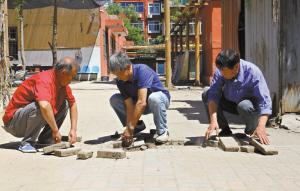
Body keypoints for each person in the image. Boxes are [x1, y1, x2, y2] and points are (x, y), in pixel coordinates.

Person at [2, 57, 79, 152]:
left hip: (26, 119)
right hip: (14, 124)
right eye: (72, 76)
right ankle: (27, 142)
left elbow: (73, 104)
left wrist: (73, 130)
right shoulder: (44, 79)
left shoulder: (62, 85)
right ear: (63, 73)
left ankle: (46, 138)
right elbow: (44, 106)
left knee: (64, 104)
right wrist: (55, 131)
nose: (71, 80)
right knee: (40, 106)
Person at [202, 49, 272, 144]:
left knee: (244, 105)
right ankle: (224, 129)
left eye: (224, 70)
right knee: (207, 92)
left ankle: (253, 131)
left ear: (236, 67)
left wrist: (261, 126)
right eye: (220, 70)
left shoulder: (253, 72)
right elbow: (213, 96)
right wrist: (213, 120)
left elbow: (265, 103)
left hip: (248, 107)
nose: (221, 73)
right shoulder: (220, 71)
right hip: (230, 103)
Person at [109, 52, 171, 146]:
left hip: (158, 101)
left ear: (128, 67)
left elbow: (141, 103)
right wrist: (130, 128)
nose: (118, 78)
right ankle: (137, 126)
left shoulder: (142, 70)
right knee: (115, 99)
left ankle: (162, 131)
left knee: (154, 98)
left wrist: (130, 128)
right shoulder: (120, 81)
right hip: (139, 104)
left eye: (119, 74)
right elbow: (129, 105)